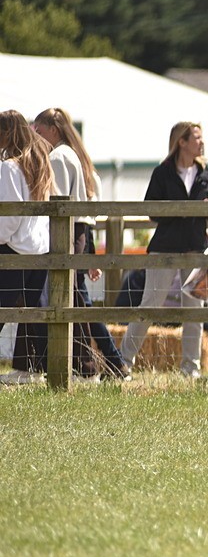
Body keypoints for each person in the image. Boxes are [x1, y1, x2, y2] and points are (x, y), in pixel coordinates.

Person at [28, 107, 130, 380]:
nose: (35, 136)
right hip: (79, 232)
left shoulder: (59, 157)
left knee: (75, 302)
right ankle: (108, 363)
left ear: (53, 129)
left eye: (38, 130)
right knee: (78, 302)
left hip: (66, 233)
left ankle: (99, 365)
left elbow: (58, 203)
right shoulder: (77, 157)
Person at [120, 121, 208, 378]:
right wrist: (177, 210)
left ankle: (191, 369)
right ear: (181, 142)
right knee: (149, 305)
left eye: (201, 137)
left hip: (197, 249)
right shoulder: (162, 172)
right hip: (164, 249)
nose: (201, 142)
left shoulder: (207, 174)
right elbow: (151, 210)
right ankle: (122, 363)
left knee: (194, 310)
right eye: (196, 137)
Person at [0, 110, 51, 385]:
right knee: (34, 312)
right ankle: (29, 369)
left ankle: (26, 370)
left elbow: (10, 215)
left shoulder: (9, 167)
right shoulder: (39, 161)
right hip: (39, 249)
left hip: (13, 247)